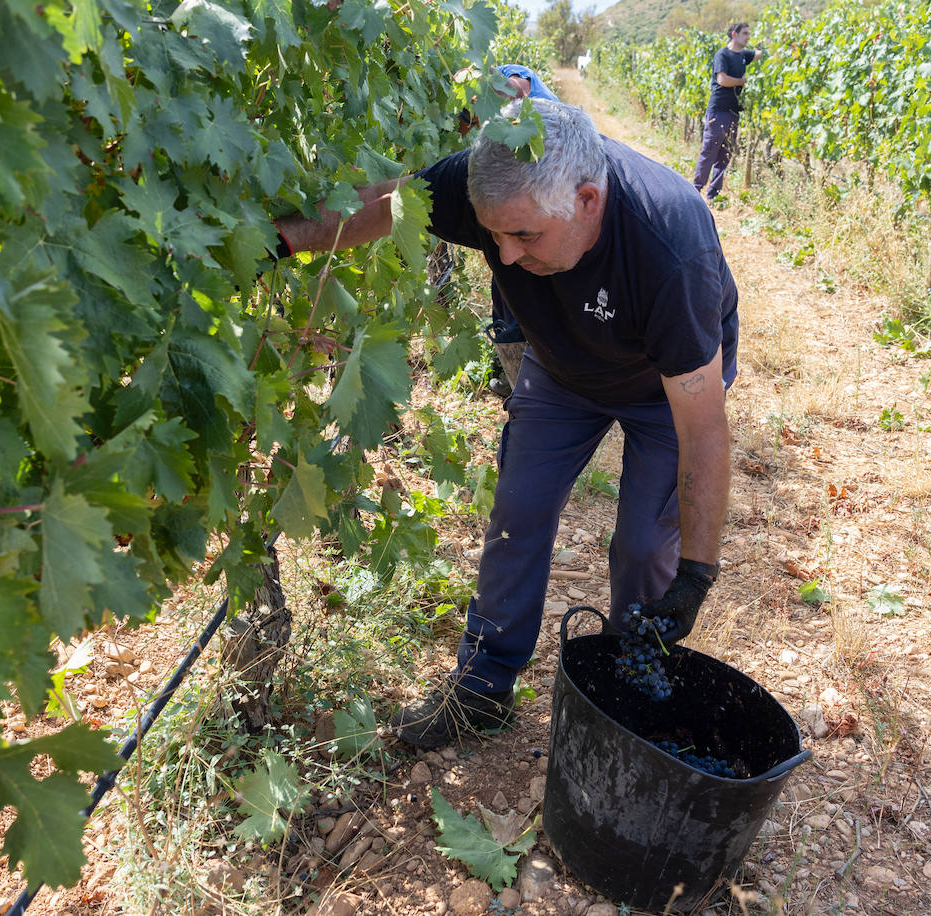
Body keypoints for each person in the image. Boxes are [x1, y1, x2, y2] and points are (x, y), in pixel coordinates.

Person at [275, 98, 737, 749]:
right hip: (560, 370)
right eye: (494, 236)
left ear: (587, 200)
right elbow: (380, 205)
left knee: (642, 546)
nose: (507, 257)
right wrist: (285, 239)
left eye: (525, 236)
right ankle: (481, 690)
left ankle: (630, 689)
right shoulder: (490, 189)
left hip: (662, 390)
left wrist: (699, 572)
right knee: (517, 512)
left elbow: (704, 429)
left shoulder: (670, 247)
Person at [452, 65, 561, 398]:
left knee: (517, 287)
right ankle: (524, 377)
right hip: (527, 215)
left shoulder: (536, 114)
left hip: (530, 214)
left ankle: (526, 387)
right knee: (510, 287)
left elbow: (510, 89)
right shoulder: (511, 81)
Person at [693, 22, 763, 202]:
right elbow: (722, 80)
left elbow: (758, 55)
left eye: (749, 33)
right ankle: (695, 191)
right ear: (734, 34)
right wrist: (742, 81)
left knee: (724, 155)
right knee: (709, 152)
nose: (748, 36)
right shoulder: (722, 54)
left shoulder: (743, 55)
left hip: (733, 112)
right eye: (745, 33)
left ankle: (712, 195)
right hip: (718, 111)